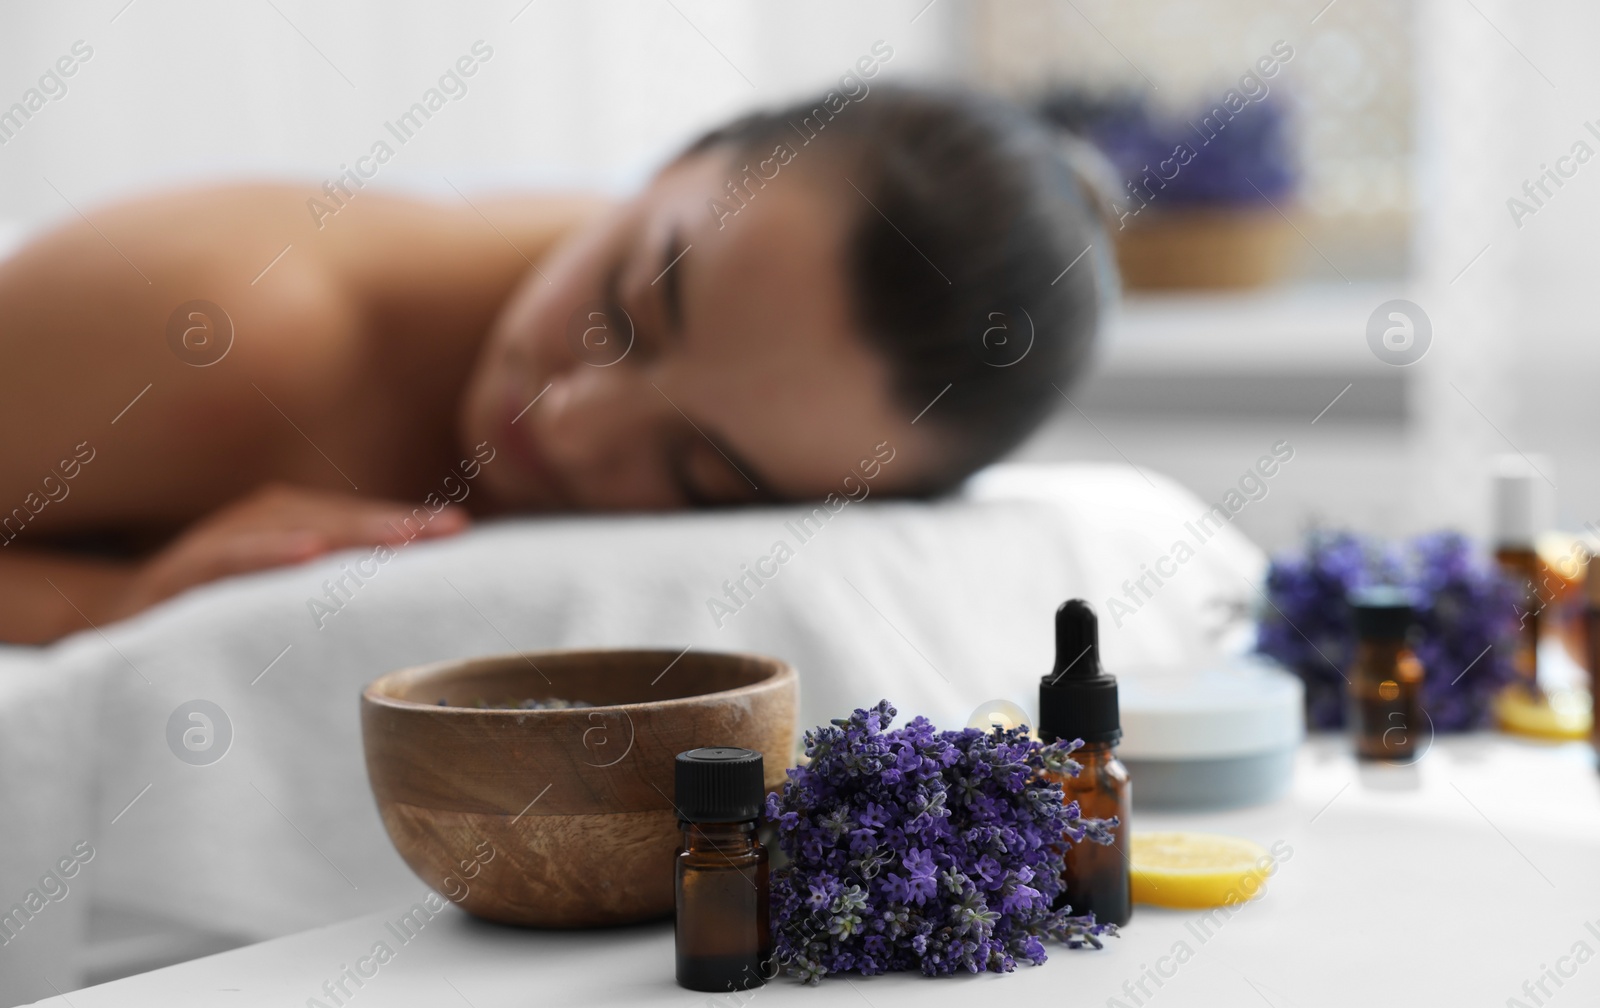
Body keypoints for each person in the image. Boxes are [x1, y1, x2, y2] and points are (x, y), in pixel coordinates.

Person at [0, 84, 1110, 644]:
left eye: (700, 476)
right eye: (628, 308)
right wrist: (117, 604)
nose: (571, 425)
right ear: (674, 160)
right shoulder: (241, 320)